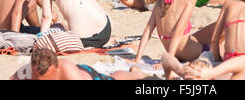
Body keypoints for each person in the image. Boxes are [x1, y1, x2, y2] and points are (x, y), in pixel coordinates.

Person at [134, 0, 216, 71]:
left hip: (175, 49)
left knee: (215, 27)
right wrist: (169, 59)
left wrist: (137, 59)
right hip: (188, 53)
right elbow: (178, 31)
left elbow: (148, 30)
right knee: (221, 33)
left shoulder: (160, 0)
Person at [11, 48, 147, 80]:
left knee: (113, 78)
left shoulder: (72, 76)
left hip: (89, 75)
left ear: (57, 68)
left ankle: (135, 72)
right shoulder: (32, 68)